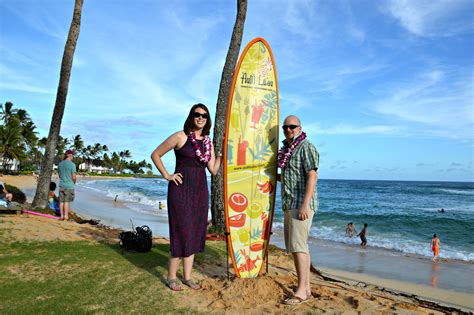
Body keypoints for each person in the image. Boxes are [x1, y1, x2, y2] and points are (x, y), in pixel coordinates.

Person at [151, 103, 222, 291]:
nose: (200, 118)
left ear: (208, 120)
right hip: (180, 190)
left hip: (200, 191)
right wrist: (167, 175)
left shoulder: (207, 142)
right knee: (181, 231)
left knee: (195, 232)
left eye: (204, 116)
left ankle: (188, 277)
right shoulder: (179, 136)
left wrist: (222, 154)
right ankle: (171, 276)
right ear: (191, 116)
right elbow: (156, 154)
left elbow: (213, 170)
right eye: (197, 114)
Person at [277, 115, 319, 305]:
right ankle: (307, 287)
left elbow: (312, 175)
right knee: (299, 247)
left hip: (300, 205)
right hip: (289, 203)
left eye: (292, 126)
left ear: (300, 127)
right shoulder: (287, 149)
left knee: (298, 247)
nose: (288, 130)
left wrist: (305, 204)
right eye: (285, 127)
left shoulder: (305, 146)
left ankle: (301, 290)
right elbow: (290, 177)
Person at [58, 149, 77, 221]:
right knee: (66, 202)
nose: (73, 157)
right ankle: (66, 216)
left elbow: (60, 175)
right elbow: (74, 177)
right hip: (69, 186)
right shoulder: (72, 165)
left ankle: (61, 216)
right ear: (70, 155)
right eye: (72, 156)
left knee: (61, 202)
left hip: (61, 185)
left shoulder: (60, 164)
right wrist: (74, 182)